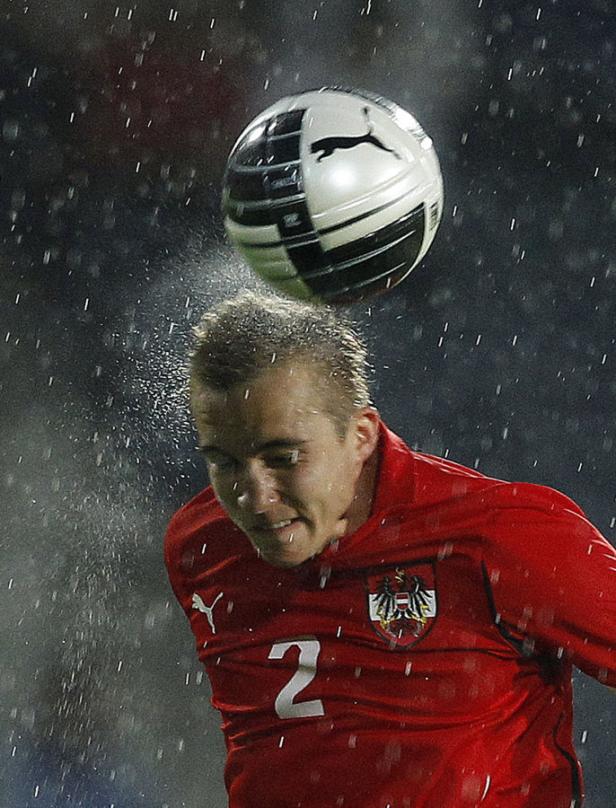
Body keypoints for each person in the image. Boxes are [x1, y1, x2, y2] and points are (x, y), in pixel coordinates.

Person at [164, 291, 616, 808]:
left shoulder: (501, 534)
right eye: (223, 463)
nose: (254, 498)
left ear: (360, 435)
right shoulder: (199, 547)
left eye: (283, 458)